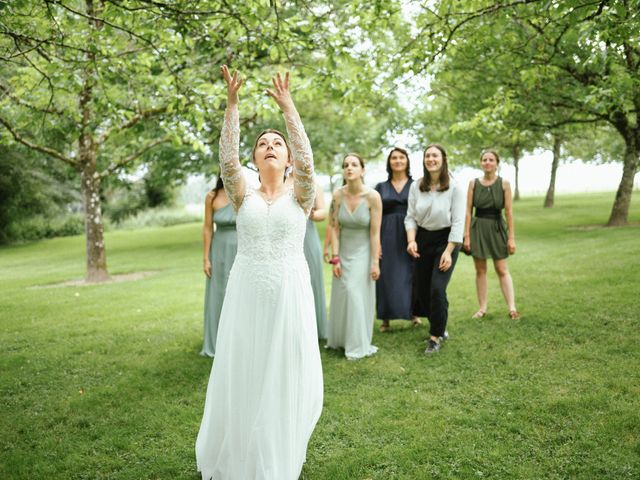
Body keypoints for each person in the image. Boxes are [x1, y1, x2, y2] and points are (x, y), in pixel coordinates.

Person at [195, 66, 323, 480]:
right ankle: (242, 450)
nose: (270, 146)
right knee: (244, 369)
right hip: (247, 289)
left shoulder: (302, 192)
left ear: (287, 158)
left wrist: (288, 109)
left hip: (289, 290)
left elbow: (308, 159)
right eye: (262, 144)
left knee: (283, 369)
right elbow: (225, 157)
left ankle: (277, 449)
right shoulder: (240, 191)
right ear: (254, 158)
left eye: (277, 144)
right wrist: (232, 106)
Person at [405, 144, 465, 355]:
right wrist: (411, 241)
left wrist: (448, 252)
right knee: (423, 290)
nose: (431, 159)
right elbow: (410, 216)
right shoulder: (416, 186)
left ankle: (435, 337)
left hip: (446, 241)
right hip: (422, 238)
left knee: (437, 288)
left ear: (443, 159)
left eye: (435, 156)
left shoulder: (455, 187)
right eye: (427, 156)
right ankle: (440, 324)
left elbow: (458, 223)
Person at [326, 153, 382, 360]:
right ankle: (340, 340)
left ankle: (357, 344)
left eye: (354, 164)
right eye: (346, 165)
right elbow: (334, 227)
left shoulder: (373, 197)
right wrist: (335, 258)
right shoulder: (337, 195)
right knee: (342, 292)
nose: (349, 168)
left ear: (362, 170)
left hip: (364, 251)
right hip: (343, 250)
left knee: (354, 292)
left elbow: (375, 232)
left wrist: (375, 262)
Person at [463, 149, 520, 319]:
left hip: (497, 228)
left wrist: (511, 237)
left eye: (491, 160)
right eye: (485, 160)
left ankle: (512, 308)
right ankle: (482, 308)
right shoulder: (473, 183)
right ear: (481, 163)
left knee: (501, 268)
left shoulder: (504, 184)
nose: (487, 162)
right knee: (480, 270)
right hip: (478, 227)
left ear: (497, 163)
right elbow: (467, 211)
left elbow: (509, 212)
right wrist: (466, 235)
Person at [374, 147, 418, 332]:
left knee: (411, 273)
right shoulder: (380, 187)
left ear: (407, 161)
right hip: (387, 234)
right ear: (389, 162)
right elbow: (374, 215)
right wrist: (376, 243)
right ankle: (385, 318)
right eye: (394, 158)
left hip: (412, 234)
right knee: (387, 275)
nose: (398, 161)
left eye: (401, 157)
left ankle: (414, 313)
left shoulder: (416, 185)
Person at [201, 177, 238, 357]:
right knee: (218, 293)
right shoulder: (212, 196)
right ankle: (216, 341)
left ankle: (238, 341)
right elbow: (207, 228)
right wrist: (206, 258)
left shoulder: (244, 193)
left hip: (242, 248)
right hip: (219, 250)